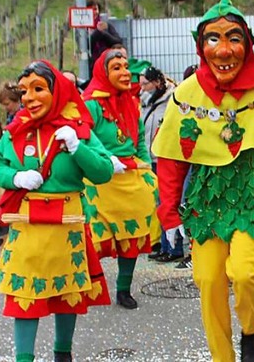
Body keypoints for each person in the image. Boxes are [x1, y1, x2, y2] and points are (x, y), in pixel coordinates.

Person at [152, 0, 254, 362]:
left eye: (233, 38)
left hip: (252, 195)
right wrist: (169, 216)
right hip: (208, 198)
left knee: (245, 272)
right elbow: (171, 160)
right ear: (201, 47)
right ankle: (221, 356)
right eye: (213, 39)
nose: (224, 50)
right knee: (209, 280)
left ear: (248, 43)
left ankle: (250, 332)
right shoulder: (186, 95)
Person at [0, 60, 113, 362]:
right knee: (24, 296)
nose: (29, 98)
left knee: (67, 296)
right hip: (27, 225)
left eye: (38, 89)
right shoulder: (15, 132)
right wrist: (15, 178)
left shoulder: (78, 129)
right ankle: (24, 358)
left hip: (68, 225)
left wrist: (79, 148)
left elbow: (103, 172)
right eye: (24, 91)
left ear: (57, 91)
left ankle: (63, 354)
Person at [82, 49, 157, 310]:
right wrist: (104, 162)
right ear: (104, 73)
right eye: (116, 67)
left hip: (130, 177)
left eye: (126, 66)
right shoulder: (90, 104)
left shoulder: (132, 102)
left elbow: (138, 139)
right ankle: (85, 287)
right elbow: (84, 139)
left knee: (132, 237)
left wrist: (144, 165)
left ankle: (123, 289)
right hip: (101, 179)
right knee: (92, 238)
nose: (125, 72)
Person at [139, 66, 183, 263]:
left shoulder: (171, 100)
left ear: (156, 82)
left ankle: (175, 248)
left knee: (170, 200)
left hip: (165, 157)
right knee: (159, 203)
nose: (142, 88)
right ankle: (165, 246)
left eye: (145, 83)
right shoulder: (146, 102)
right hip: (150, 158)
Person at [87, 0, 123, 80]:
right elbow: (86, 45)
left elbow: (118, 42)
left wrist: (104, 33)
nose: (94, 12)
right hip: (92, 66)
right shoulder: (82, 29)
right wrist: (97, 32)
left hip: (108, 63)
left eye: (95, 9)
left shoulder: (106, 25)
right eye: (91, 9)